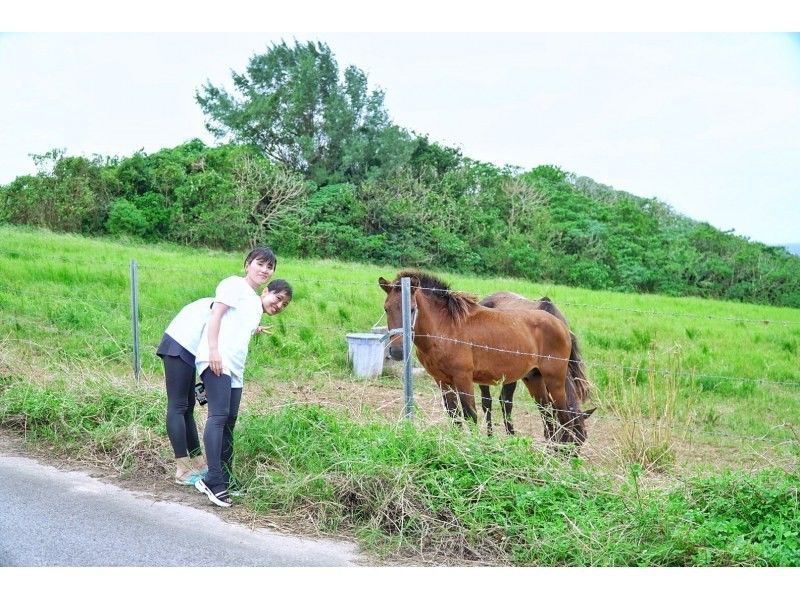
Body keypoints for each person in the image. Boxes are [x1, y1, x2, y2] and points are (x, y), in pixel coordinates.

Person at [192, 254, 293, 508]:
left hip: (235, 369)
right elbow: (215, 316)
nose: (265, 269)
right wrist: (213, 351)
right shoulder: (233, 285)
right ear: (248, 265)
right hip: (217, 360)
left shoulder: (253, 302)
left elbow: (238, 321)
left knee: (229, 422)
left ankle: (224, 477)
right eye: (260, 264)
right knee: (218, 417)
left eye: (270, 267)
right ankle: (213, 481)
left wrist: (255, 328)